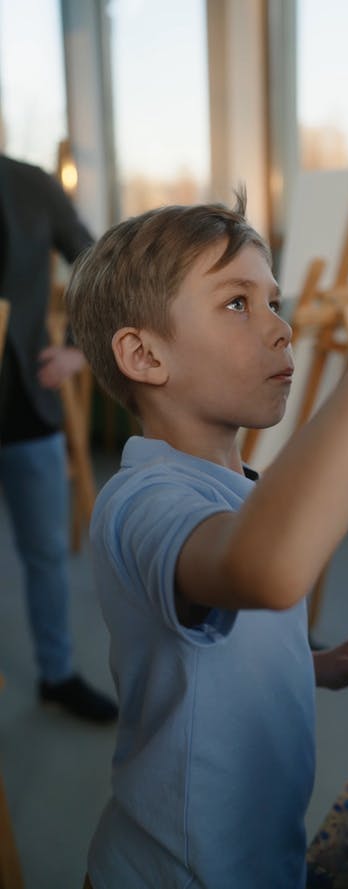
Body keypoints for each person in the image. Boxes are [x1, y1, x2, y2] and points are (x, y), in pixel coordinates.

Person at [67, 139, 348, 888]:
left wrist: (312, 665)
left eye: (273, 300)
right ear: (143, 356)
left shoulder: (240, 489)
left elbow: (216, 646)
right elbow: (262, 567)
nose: (280, 325)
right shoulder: (140, 502)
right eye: (237, 303)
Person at [0, 151, 117, 724]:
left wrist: (77, 348)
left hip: (24, 401)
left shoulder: (30, 183)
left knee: (45, 551)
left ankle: (57, 673)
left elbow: (95, 262)